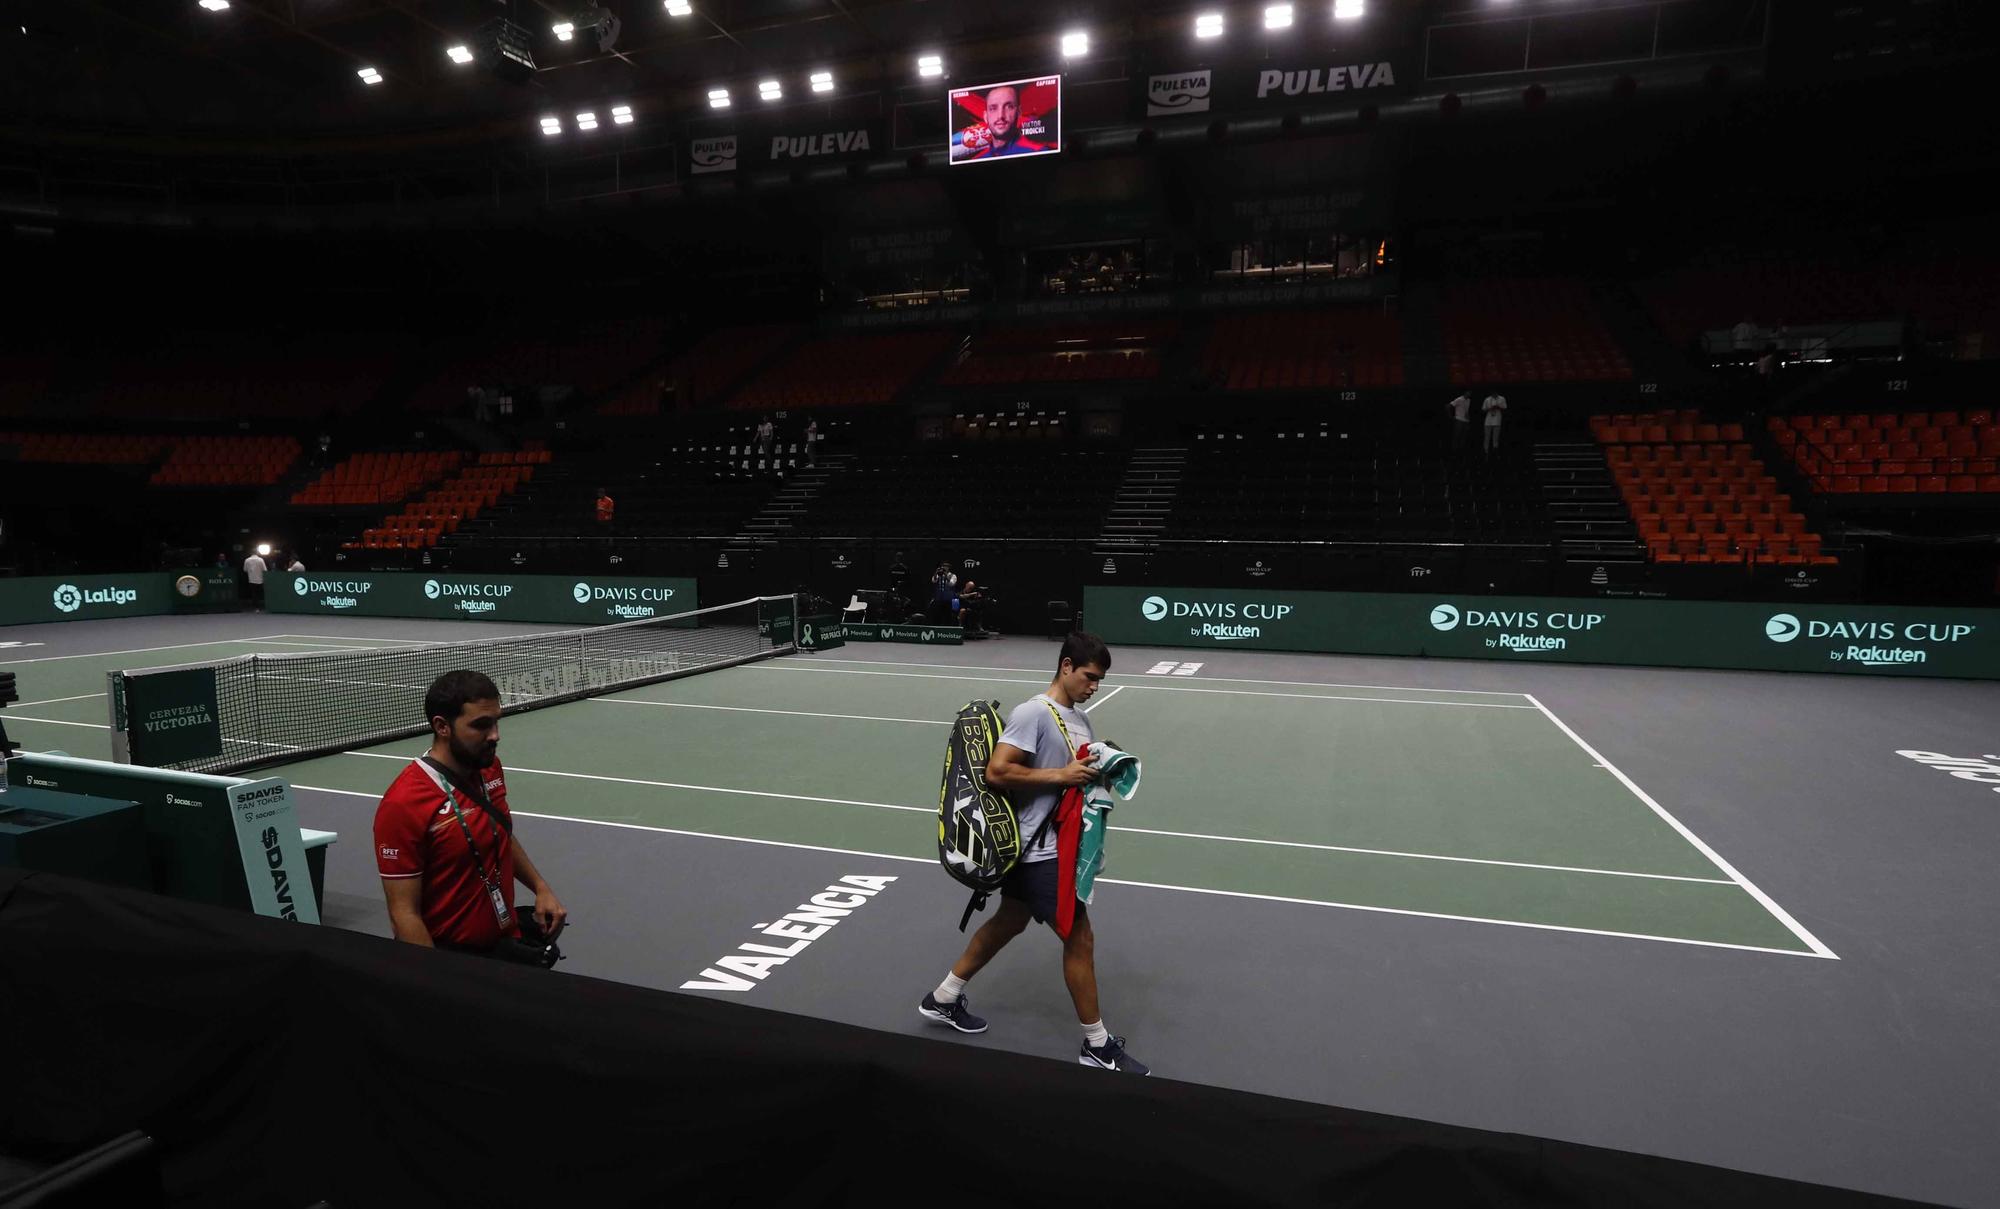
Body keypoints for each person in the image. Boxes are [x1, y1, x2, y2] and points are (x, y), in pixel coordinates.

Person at [917, 632, 1147, 1074]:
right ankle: (1096, 1045)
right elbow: (999, 771)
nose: (1094, 686)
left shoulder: (1080, 721)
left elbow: (1071, 779)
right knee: (1079, 938)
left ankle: (943, 998)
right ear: (1065, 666)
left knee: (1010, 920)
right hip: (1036, 851)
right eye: (1089, 677)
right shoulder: (1032, 713)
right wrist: (1062, 774)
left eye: (1099, 680)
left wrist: (1100, 768)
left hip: (1048, 846)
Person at [373, 670, 568, 959]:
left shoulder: (489, 768)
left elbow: (498, 833)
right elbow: (403, 914)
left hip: (503, 943)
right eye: (481, 725)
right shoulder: (404, 802)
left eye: (496, 722)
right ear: (442, 726)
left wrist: (540, 887)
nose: (495, 735)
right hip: (453, 958)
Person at [950, 85, 1049, 161]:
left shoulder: (1039, 152)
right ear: (985, 116)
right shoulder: (979, 160)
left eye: (1009, 107)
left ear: (1019, 113)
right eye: (993, 108)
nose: (1000, 116)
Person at [1482, 390, 1507, 455]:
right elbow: (1483, 409)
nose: (1494, 394)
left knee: (1496, 437)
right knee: (1487, 437)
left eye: (1495, 393)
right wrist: (1490, 408)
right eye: (1493, 393)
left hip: (1497, 420)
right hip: (1488, 421)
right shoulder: (1487, 399)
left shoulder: (1502, 398)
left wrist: (1498, 407)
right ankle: (1486, 450)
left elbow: (1505, 408)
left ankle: (1495, 450)